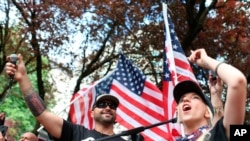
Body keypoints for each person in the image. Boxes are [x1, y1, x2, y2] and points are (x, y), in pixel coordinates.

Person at [4, 54, 143, 141]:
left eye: (112, 106)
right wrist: (22, 78)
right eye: (101, 104)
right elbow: (42, 113)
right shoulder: (75, 133)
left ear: (115, 114)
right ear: (92, 113)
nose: (107, 107)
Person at [173, 48, 247, 141]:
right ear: (177, 113)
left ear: (207, 113)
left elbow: (237, 81)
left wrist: (206, 60)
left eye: (195, 97)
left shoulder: (218, 135)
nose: (185, 100)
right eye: (181, 100)